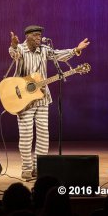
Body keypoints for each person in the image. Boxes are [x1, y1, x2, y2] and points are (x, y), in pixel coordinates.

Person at [9, 25, 89, 179]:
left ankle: (40, 167)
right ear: (28, 36)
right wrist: (13, 44)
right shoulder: (21, 49)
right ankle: (27, 168)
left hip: (42, 97)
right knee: (26, 136)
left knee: (43, 134)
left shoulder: (44, 49)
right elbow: (14, 53)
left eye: (40, 36)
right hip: (24, 99)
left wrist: (76, 49)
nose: (39, 38)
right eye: (36, 36)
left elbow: (58, 55)